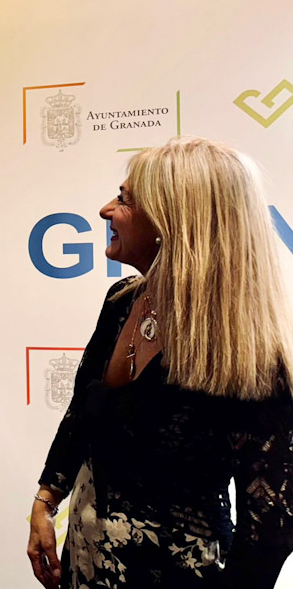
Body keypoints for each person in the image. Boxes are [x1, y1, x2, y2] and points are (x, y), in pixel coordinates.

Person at [27, 138, 293, 589]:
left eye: (125, 200)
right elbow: (80, 413)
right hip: (85, 563)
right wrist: (45, 501)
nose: (105, 210)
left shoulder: (255, 358)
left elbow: (269, 528)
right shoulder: (121, 301)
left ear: (173, 220)